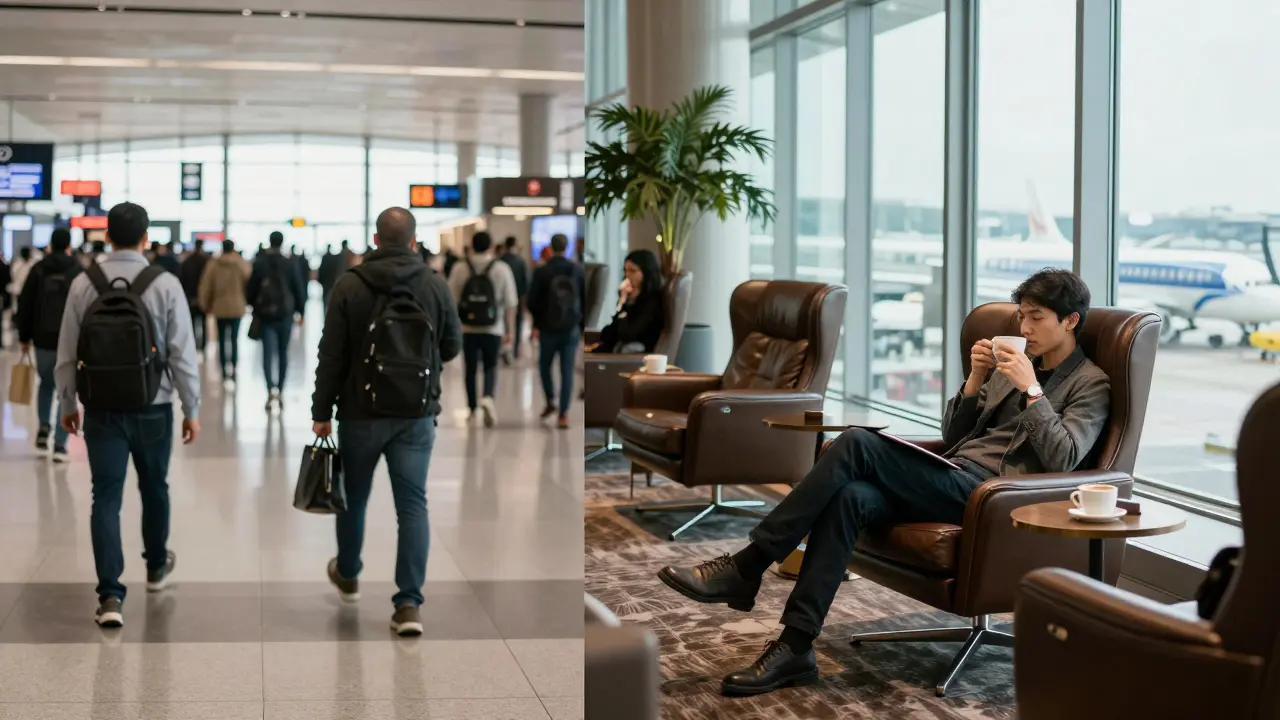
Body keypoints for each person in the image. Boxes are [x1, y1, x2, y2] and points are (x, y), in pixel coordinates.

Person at [657, 269, 1111, 697]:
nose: (1025, 326)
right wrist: (974, 381)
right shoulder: (1015, 364)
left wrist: (1032, 390)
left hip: (993, 498)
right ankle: (796, 646)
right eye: (1022, 316)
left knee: (855, 443)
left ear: (1070, 320)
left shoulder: (1090, 384)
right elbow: (954, 438)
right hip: (953, 476)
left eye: (1036, 317)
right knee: (852, 497)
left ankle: (749, 565)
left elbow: (1065, 457)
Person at [311, 207, 461, 636]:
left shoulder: (350, 284)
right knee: (412, 506)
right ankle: (408, 604)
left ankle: (350, 574)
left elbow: (332, 354)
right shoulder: (434, 284)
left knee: (353, 498)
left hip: (360, 414)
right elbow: (451, 346)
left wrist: (321, 411)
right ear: (413, 242)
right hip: (415, 416)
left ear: (375, 240)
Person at [55, 202, 201, 629]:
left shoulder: (85, 282)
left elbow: (67, 352)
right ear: (145, 237)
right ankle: (156, 566)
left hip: (101, 408)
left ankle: (110, 596)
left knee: (106, 496)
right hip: (153, 407)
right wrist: (191, 408)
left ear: (107, 234)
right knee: (155, 485)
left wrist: (68, 404)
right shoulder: (165, 283)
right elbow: (182, 353)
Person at [16, 229, 82, 462]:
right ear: (68, 245)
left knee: (45, 383)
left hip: (42, 337)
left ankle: (44, 426)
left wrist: (24, 336)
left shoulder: (39, 269)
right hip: (70, 340)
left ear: (50, 244)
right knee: (67, 390)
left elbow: (25, 303)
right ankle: (61, 445)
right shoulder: (77, 270)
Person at [447, 231, 518, 427]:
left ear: (472, 245)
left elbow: (451, 300)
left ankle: (472, 408)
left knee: (469, 369)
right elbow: (511, 302)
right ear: (491, 246)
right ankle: (487, 396)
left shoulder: (460, 267)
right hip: (493, 327)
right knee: (490, 365)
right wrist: (511, 330)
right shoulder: (502, 268)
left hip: (467, 328)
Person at [526, 233, 585, 429]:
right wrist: (581, 325)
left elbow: (532, 301)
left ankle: (551, 400)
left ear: (550, 247)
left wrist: (537, 322)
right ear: (567, 247)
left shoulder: (542, 271)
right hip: (570, 328)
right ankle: (563, 415)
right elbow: (584, 300)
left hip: (548, 327)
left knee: (544, 365)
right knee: (567, 370)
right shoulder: (577, 270)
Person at [247, 231, 306, 410]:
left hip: (265, 315)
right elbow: (298, 287)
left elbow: (251, 289)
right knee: (282, 352)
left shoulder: (260, 263)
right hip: (285, 315)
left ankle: (269, 390)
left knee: (267, 353)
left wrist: (254, 307)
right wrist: (301, 311)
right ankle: (280, 389)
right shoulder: (289, 263)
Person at [588, 249, 665, 354]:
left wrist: (625, 304)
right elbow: (607, 334)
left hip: (637, 353)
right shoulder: (633, 297)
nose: (627, 275)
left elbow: (628, 334)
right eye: (626, 270)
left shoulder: (652, 300)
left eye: (632, 271)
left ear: (646, 272)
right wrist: (622, 302)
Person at [198, 239, 252, 387]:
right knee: (234, 339)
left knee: (221, 339)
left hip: (219, 306)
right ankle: (233, 367)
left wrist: (205, 304)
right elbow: (250, 282)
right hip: (237, 306)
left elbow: (206, 286)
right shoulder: (240, 264)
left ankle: (223, 369)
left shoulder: (214, 265)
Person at [498, 236, 530, 364]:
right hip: (517, 299)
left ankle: (504, 350)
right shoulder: (521, 261)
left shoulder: (500, 261)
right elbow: (526, 283)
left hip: (501, 301)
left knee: (503, 325)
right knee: (516, 325)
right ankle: (514, 351)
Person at [179, 241, 210, 353]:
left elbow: (182, 280)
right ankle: (203, 345)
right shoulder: (206, 261)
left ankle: (192, 345)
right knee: (203, 322)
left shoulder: (187, 262)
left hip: (190, 297)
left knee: (191, 322)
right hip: (202, 297)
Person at [318, 243, 343, 308]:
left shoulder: (325, 257)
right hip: (331, 281)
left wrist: (320, 280)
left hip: (325, 282)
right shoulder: (334, 258)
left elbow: (321, 269)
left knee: (325, 299)